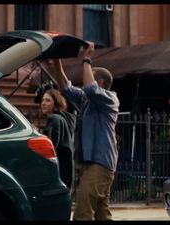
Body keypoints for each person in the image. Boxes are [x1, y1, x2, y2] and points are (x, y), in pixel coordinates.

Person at [51, 41, 120, 220]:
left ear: (101, 82)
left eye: (90, 74)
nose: (84, 78)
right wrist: (56, 61)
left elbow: (90, 88)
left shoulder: (110, 100)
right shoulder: (86, 100)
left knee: (83, 209)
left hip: (101, 162)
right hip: (90, 162)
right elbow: (65, 87)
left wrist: (87, 59)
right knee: (101, 213)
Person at [40, 88, 77, 189]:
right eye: (43, 100)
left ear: (56, 104)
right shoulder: (62, 119)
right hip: (66, 173)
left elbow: (50, 147)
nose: (43, 103)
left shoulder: (54, 119)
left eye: (48, 100)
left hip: (58, 173)